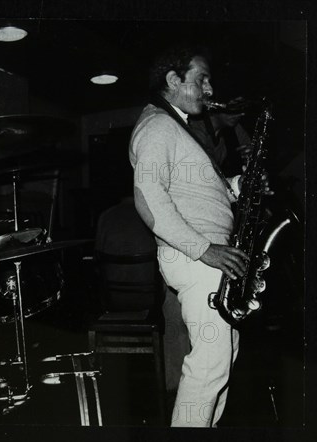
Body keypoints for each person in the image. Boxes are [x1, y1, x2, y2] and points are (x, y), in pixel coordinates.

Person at [129, 45, 250, 427]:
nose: (210, 89)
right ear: (173, 80)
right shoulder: (157, 126)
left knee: (221, 360)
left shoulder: (177, 128)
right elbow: (148, 197)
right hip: (198, 258)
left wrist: (239, 185)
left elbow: (199, 192)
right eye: (202, 79)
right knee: (208, 365)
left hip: (207, 256)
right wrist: (204, 250)